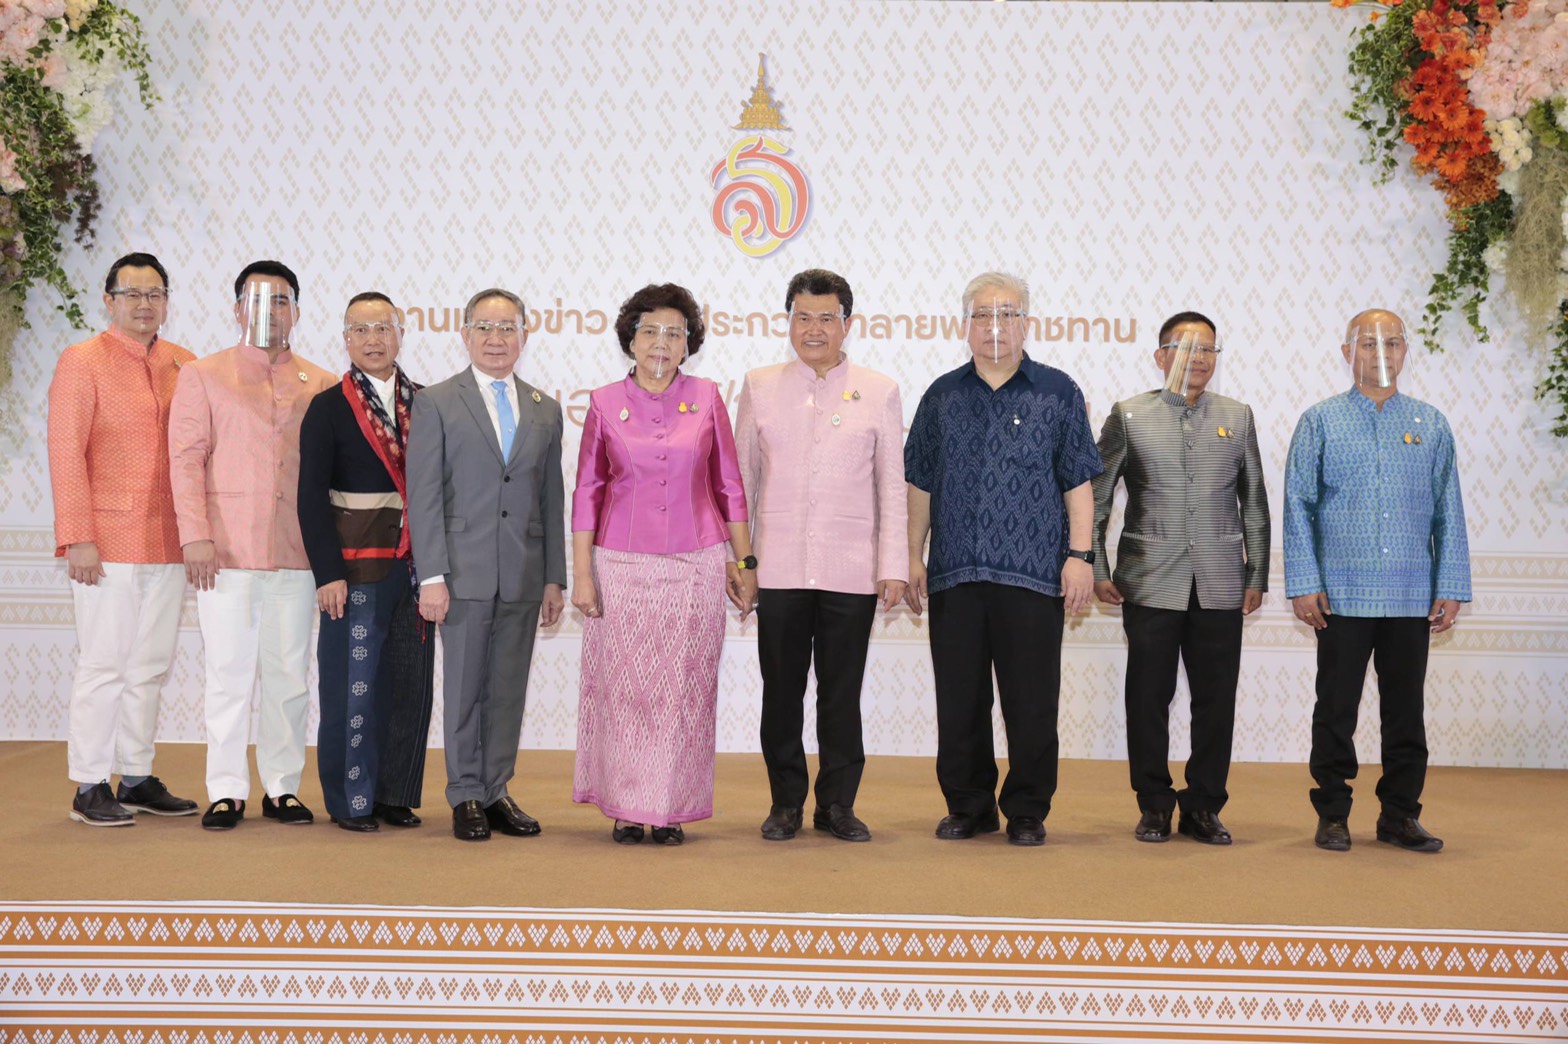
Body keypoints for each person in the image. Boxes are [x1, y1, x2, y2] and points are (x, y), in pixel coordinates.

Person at [904, 271, 1102, 847]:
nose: (996, 326)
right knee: (959, 700)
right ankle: (968, 806)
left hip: (1034, 574)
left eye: (1008, 314)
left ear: (1026, 323)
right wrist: (912, 555)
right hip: (954, 573)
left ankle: (1027, 810)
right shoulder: (942, 395)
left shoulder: (1058, 392)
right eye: (984, 315)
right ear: (966, 325)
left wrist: (1081, 555)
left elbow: (1078, 481)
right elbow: (919, 481)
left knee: (1031, 701)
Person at [570, 283, 755, 846]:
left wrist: (744, 561)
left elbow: (729, 485)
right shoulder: (603, 402)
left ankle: (670, 807)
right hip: (620, 563)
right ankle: (627, 807)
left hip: (696, 563)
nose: (661, 342)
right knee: (625, 688)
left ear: (688, 343)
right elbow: (587, 491)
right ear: (630, 338)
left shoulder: (708, 397)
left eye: (675, 333)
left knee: (684, 689)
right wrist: (583, 574)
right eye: (650, 330)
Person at [1284, 309, 1469, 854]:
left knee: (1406, 715)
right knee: (1335, 712)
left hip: (1411, 596)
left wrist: (1450, 584)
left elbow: (1448, 511)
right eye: (1368, 343)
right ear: (1348, 353)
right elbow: (1298, 505)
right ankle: (1333, 813)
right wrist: (1303, 581)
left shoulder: (1431, 423)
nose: (1380, 352)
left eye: (1392, 342)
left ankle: (1400, 816)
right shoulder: (1320, 421)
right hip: (1340, 595)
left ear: (1406, 351)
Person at [733, 269, 906, 843]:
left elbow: (892, 487)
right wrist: (742, 563)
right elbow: (740, 484)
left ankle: (837, 804)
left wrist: (893, 566)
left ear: (846, 324)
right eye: (802, 317)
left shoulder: (879, 390)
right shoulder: (759, 386)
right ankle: (785, 803)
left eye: (826, 318)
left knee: (841, 696)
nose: (813, 329)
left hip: (850, 570)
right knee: (781, 693)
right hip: (778, 567)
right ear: (788, 323)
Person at [1091, 311, 1270, 846]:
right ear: (1161, 356)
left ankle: (1204, 806)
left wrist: (1256, 572)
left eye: (1207, 349)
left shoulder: (1237, 417)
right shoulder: (1129, 415)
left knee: (1216, 701)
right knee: (1148, 698)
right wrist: (1097, 567)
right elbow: (1097, 499)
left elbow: (1254, 501)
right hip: (1149, 581)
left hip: (1220, 581)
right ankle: (1153, 804)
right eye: (1185, 348)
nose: (1198, 359)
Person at [169, 260, 336, 830]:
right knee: (228, 675)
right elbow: (186, 459)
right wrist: (195, 535)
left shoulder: (321, 382)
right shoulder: (203, 374)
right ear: (239, 309)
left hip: (297, 553)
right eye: (259, 300)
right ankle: (226, 789)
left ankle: (282, 787)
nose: (271, 312)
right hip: (225, 554)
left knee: (289, 678)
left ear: (297, 311)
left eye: (282, 300)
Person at [406, 288, 566, 843]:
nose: (496, 339)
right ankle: (465, 793)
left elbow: (551, 498)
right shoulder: (436, 402)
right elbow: (424, 496)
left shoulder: (545, 408)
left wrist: (554, 577)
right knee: (465, 690)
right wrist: (431, 576)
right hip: (461, 574)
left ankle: (496, 790)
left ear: (525, 335)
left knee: (507, 690)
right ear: (465, 334)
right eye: (485, 328)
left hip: (523, 574)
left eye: (507, 328)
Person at [48, 251, 199, 826]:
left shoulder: (184, 363)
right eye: (132, 294)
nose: (144, 304)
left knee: (150, 665)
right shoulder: (82, 361)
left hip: (169, 540)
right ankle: (89, 784)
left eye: (154, 294)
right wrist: (78, 536)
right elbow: (66, 452)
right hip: (106, 543)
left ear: (167, 302)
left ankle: (135, 776)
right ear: (109, 300)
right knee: (104, 664)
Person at [298, 292, 435, 833]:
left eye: (383, 328)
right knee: (352, 684)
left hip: (417, 566)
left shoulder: (427, 403)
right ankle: (351, 799)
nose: (373, 340)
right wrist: (327, 572)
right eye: (361, 330)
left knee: (408, 683)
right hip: (355, 567)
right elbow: (311, 497)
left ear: (401, 334)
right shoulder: (328, 407)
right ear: (346, 339)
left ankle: (393, 794)